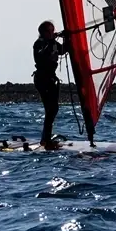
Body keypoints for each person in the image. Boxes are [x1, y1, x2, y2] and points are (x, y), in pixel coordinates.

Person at [32, 20, 69, 149]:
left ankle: (46, 139)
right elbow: (42, 55)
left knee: (53, 109)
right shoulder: (39, 44)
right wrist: (51, 41)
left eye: (53, 30)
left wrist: (67, 37)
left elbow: (64, 50)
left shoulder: (52, 43)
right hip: (42, 79)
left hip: (51, 79)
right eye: (50, 31)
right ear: (43, 32)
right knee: (50, 109)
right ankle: (46, 140)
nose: (52, 33)